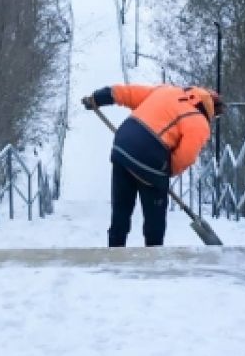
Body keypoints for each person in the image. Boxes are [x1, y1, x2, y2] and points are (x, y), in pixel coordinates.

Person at [82, 84, 224, 247]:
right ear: (211, 110)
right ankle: (153, 257)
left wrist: (99, 97)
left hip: (122, 145)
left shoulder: (166, 91)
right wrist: (166, 171)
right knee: (154, 221)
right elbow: (186, 156)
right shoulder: (199, 122)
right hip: (152, 157)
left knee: (120, 212)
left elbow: (129, 93)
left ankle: (115, 252)